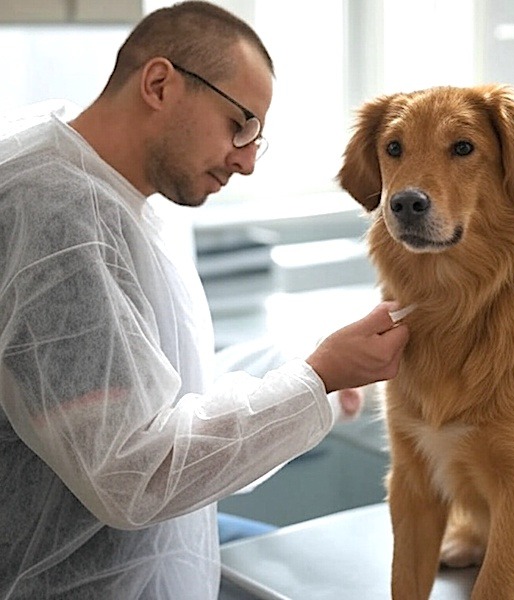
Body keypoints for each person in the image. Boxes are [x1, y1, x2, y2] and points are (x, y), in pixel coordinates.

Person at [0, 2, 408, 599]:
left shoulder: (114, 197)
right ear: (159, 84)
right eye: (240, 123)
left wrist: (303, 369)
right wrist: (316, 378)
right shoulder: (56, 214)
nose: (245, 160)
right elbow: (132, 472)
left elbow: (159, 392)